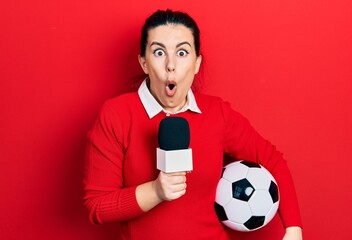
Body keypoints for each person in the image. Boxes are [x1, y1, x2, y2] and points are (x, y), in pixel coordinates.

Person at [83, 9, 303, 240]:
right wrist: (156, 191)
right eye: (159, 52)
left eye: (182, 52)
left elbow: (272, 160)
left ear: (196, 63)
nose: (170, 65)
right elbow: (97, 205)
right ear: (144, 63)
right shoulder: (116, 114)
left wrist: (294, 229)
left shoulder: (217, 113)